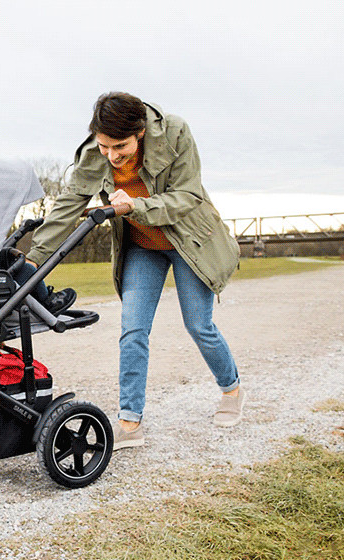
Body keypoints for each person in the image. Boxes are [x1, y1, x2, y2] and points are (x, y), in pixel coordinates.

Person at [25, 92, 244, 450]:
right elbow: (68, 204)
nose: (111, 155)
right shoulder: (95, 155)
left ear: (140, 132)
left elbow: (189, 196)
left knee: (199, 325)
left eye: (120, 147)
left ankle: (232, 390)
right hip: (143, 246)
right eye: (104, 146)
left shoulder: (175, 134)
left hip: (189, 242)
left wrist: (135, 205)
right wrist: (34, 258)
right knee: (133, 330)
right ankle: (130, 421)